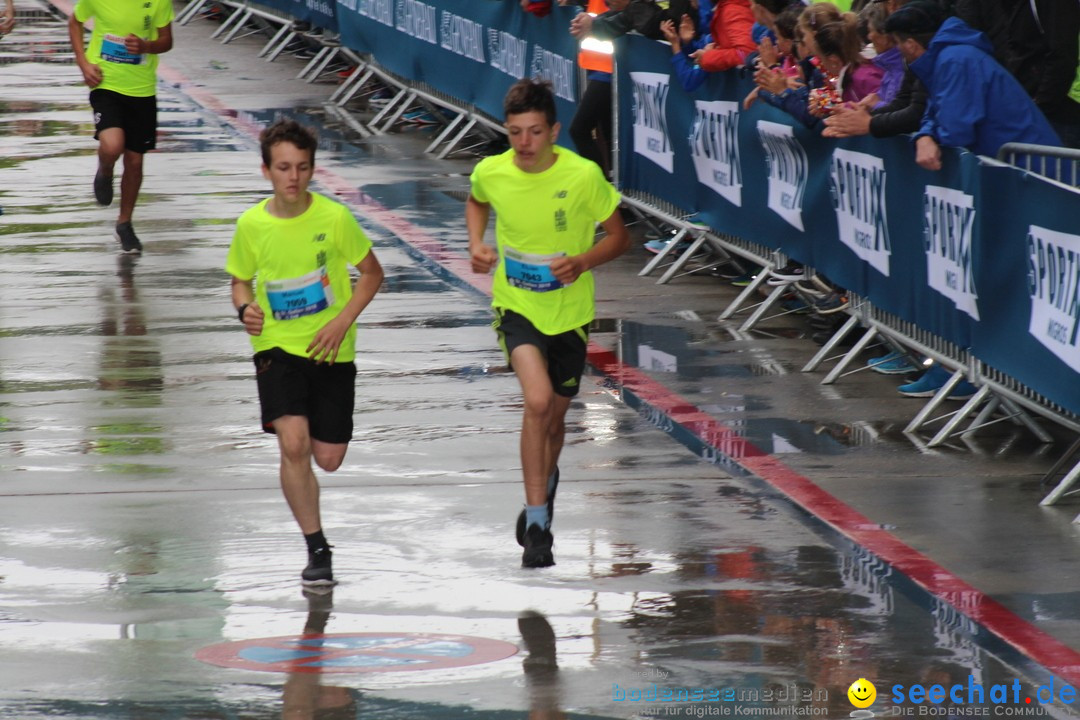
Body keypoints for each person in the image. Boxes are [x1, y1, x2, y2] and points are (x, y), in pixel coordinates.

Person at [466, 79, 629, 568]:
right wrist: (477, 244)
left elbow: (620, 237)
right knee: (536, 402)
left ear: (554, 130)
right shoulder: (492, 171)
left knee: (555, 417)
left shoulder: (582, 176)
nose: (524, 143)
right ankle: (538, 526)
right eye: (515, 132)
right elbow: (476, 200)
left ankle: (546, 480)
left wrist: (581, 261)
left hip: (570, 315)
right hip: (515, 306)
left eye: (535, 132)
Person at [225, 119, 384, 586]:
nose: (292, 177)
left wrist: (341, 320)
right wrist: (245, 310)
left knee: (328, 457)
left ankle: (315, 526)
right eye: (283, 168)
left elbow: (372, 274)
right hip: (276, 346)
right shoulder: (252, 225)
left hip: (331, 350)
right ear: (266, 171)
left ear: (313, 171)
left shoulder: (334, 219)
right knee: (292, 444)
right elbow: (239, 281)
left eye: (302, 168)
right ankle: (317, 548)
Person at [884, 0, 1060, 171]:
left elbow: (955, 131)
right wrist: (925, 135)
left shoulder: (956, 61)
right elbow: (934, 111)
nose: (898, 50)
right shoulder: (945, 59)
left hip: (1035, 172)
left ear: (911, 45)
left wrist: (927, 137)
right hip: (1015, 169)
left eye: (897, 43)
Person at [68, 0, 174, 254]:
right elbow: (75, 22)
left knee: (135, 162)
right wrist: (83, 63)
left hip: (142, 89)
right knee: (113, 145)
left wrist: (146, 46)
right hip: (106, 83)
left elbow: (167, 40)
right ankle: (105, 170)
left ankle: (124, 223)